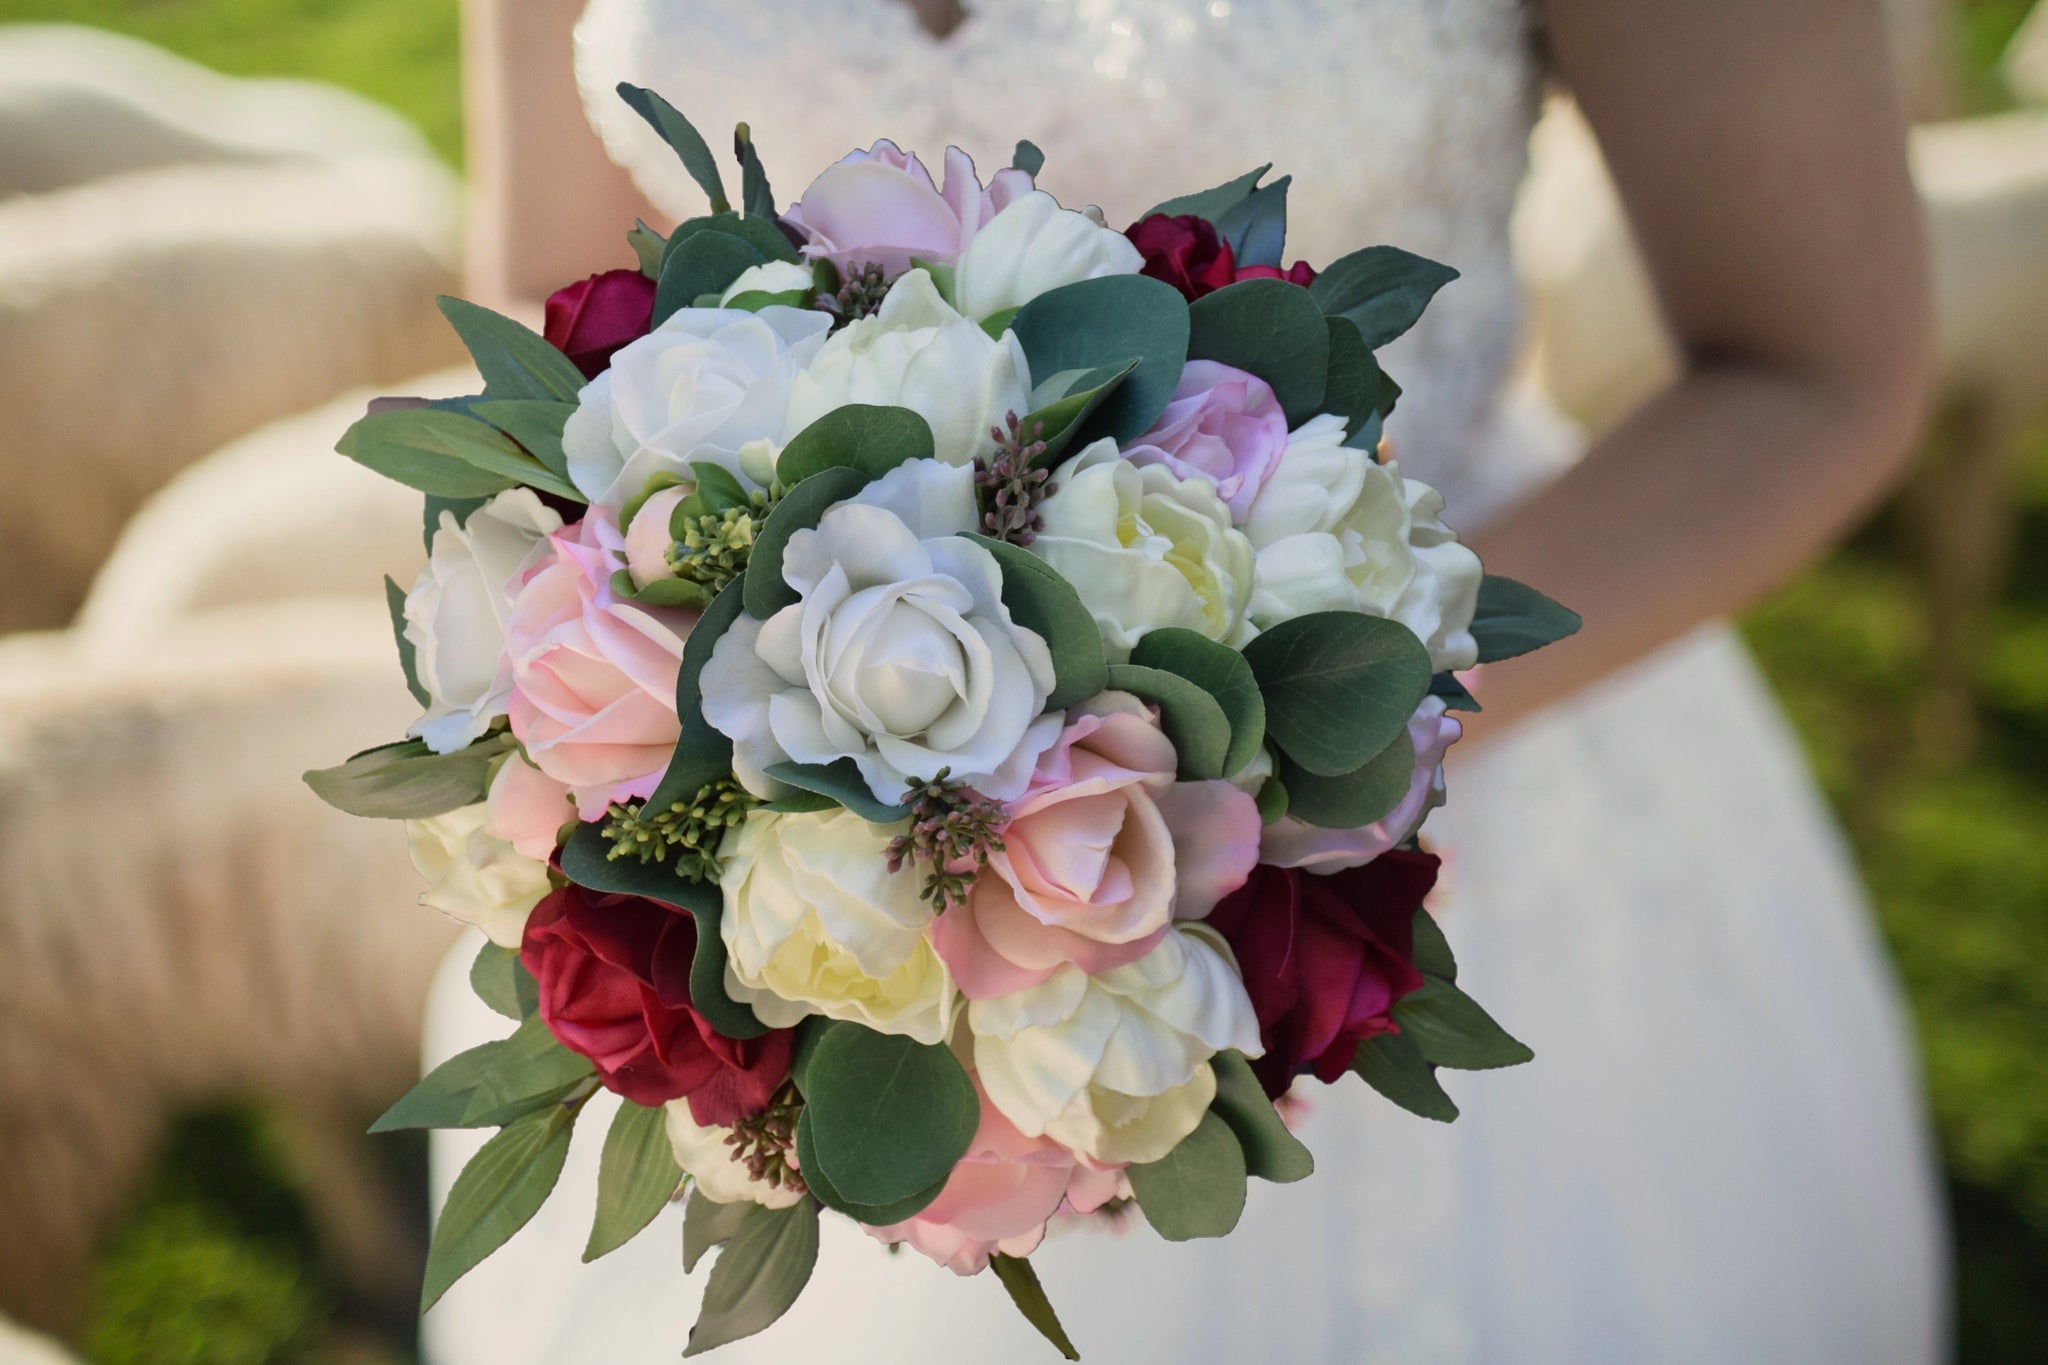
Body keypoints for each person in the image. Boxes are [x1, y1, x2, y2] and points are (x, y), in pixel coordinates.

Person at [425, 1, 1946, 1360]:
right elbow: (550, 346)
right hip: (802, 883)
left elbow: (1810, 360)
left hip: (1436, 815)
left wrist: (1301, 761)